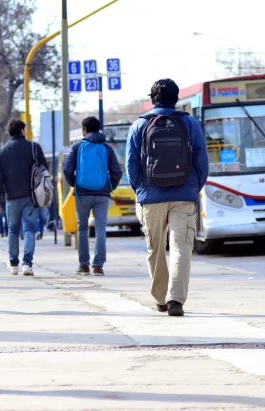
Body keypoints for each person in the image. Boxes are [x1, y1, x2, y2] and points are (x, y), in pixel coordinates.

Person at [126, 79, 208, 317]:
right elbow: (201, 160)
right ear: (177, 99)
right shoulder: (189, 123)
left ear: (153, 99)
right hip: (184, 195)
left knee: (155, 248)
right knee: (181, 247)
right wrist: (193, 186)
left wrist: (141, 189)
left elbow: (131, 164)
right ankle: (176, 299)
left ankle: (160, 298)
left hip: (151, 197)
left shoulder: (139, 125)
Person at [63, 116, 122, 276]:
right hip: (102, 194)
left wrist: (75, 184)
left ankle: (84, 265)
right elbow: (117, 172)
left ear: (84, 130)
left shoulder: (77, 147)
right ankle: (98, 266)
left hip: (82, 194)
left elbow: (67, 169)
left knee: (82, 228)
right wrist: (108, 187)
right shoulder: (107, 149)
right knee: (101, 229)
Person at [0, 119, 48, 276]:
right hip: (31, 197)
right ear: (22, 131)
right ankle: (27, 264)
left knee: (13, 230)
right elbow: (45, 170)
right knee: (29, 229)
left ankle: (14, 263)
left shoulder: (1, 151)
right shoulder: (34, 148)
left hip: (11, 198)